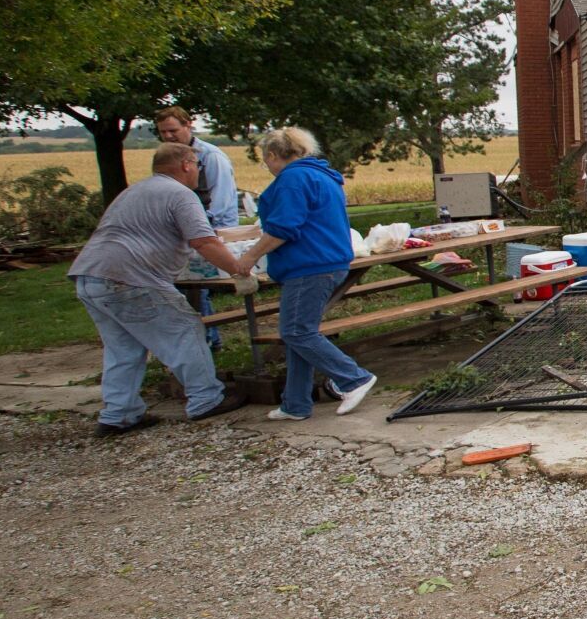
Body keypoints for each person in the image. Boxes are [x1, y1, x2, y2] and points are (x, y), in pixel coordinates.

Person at [70, 143, 254, 437]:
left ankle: (119, 414)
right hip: (130, 279)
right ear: (186, 164)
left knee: (123, 349)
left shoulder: (134, 192)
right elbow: (204, 242)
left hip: (89, 276)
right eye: (196, 166)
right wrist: (238, 269)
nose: (197, 172)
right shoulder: (181, 194)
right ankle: (205, 398)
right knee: (186, 329)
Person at [234, 127, 376, 420]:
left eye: (266, 161)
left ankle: (354, 378)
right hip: (328, 261)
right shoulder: (323, 175)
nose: (268, 167)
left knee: (296, 331)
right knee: (299, 334)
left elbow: (283, 227)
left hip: (309, 264)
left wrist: (249, 256)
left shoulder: (293, 179)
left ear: (273, 155)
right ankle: (295, 403)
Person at [153, 106, 238, 339]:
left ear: (188, 125)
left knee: (196, 285)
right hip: (184, 231)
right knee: (185, 286)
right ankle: (201, 337)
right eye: (163, 132)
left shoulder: (211, 157)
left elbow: (221, 201)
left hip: (211, 230)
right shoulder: (169, 157)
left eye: (173, 130)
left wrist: (200, 228)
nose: (168, 136)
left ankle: (207, 338)